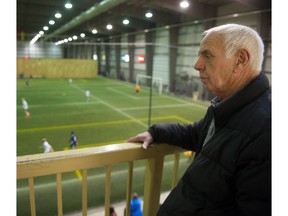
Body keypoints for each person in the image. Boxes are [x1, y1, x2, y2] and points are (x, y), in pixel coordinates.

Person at [127, 24, 271, 216]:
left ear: (241, 59)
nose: (197, 65)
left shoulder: (266, 130)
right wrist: (156, 132)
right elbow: (196, 134)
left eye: (208, 55)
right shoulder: (226, 106)